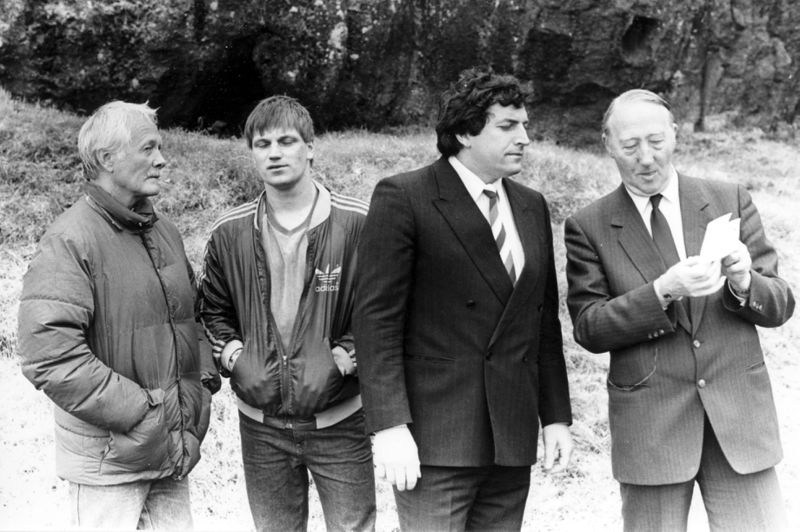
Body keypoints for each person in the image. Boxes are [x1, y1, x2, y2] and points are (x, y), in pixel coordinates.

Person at [564, 89, 795, 531]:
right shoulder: (588, 226)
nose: (646, 157)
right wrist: (661, 292)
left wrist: (745, 281)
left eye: (656, 141)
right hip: (651, 429)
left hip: (740, 423)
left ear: (675, 135)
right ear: (607, 145)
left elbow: (780, 305)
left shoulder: (729, 198)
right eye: (630, 145)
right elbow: (589, 327)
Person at [354, 68, 574, 531]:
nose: (525, 138)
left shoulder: (531, 204)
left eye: (525, 125)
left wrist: (555, 417)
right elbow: (376, 322)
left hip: (511, 436)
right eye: (508, 126)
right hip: (434, 440)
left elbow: (542, 321)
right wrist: (389, 426)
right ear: (464, 133)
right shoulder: (405, 196)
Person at [17, 101, 219, 530]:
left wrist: (198, 391)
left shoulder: (165, 232)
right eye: (148, 148)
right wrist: (145, 413)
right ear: (107, 158)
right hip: (109, 466)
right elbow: (49, 357)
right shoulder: (70, 240)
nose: (161, 159)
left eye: (160, 147)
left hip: (172, 452)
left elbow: (192, 320)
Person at [199, 95, 376, 532]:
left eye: (286, 141)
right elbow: (211, 309)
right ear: (252, 153)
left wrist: (345, 357)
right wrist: (234, 356)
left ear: (310, 147)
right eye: (262, 144)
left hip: (339, 419)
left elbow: (382, 309)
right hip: (261, 426)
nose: (274, 153)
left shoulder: (358, 223)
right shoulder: (230, 231)